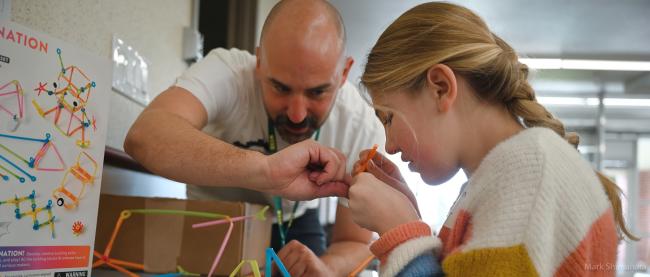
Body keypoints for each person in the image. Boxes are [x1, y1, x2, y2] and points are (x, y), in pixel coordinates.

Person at [345, 2, 637, 276]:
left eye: (390, 118)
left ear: (441, 88)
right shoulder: (504, 177)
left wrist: (400, 234)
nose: (390, 146)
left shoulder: (527, 180)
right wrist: (406, 213)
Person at [123, 0, 384, 276]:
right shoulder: (228, 71)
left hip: (296, 223)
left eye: (317, 92)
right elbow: (144, 135)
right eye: (279, 87)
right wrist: (265, 170)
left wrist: (326, 268)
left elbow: (353, 241)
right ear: (259, 62)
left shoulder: (362, 126)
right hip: (213, 218)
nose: (297, 115)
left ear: (344, 73)